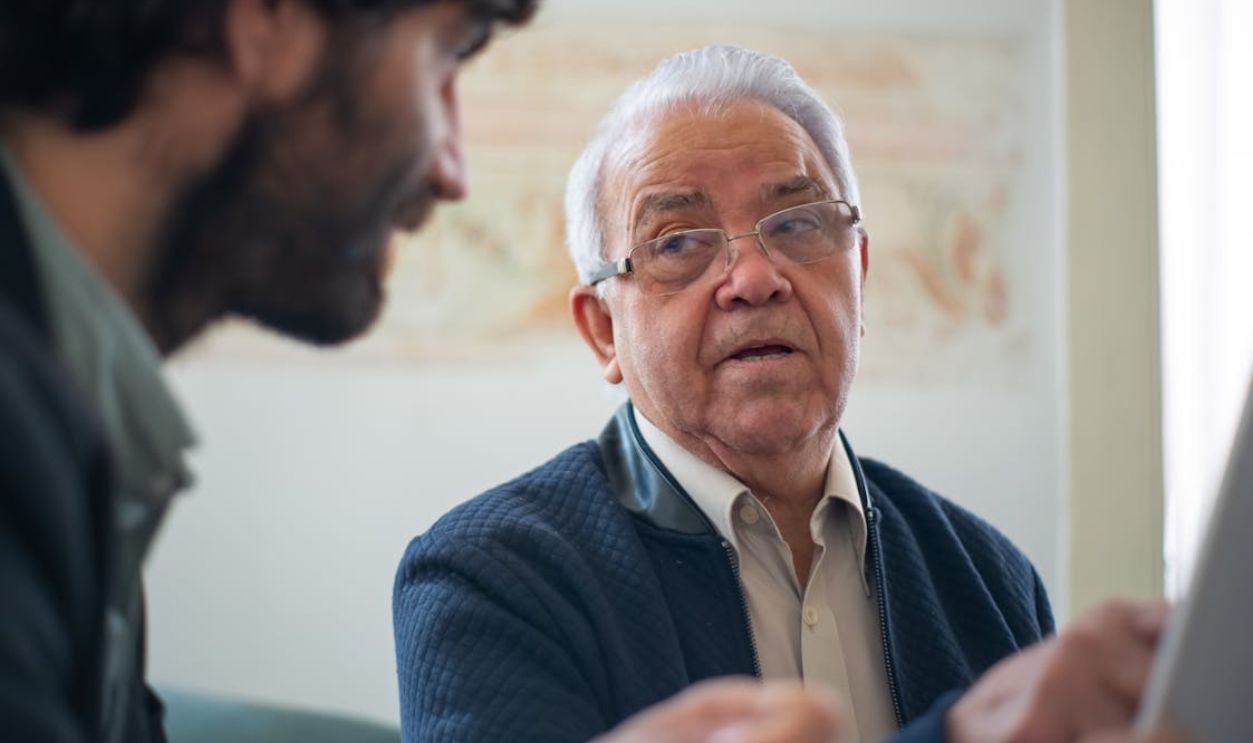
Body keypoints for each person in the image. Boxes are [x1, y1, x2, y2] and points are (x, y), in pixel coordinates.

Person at [0, 6, 848, 743]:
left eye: (798, 222)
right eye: (448, 53)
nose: (452, 170)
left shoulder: (73, 429)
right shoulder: (29, 439)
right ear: (268, 19)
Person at [393, 46, 1182, 743]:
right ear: (603, 330)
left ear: (859, 278)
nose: (754, 277)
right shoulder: (486, 576)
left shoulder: (985, 574)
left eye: (798, 224)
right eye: (676, 241)